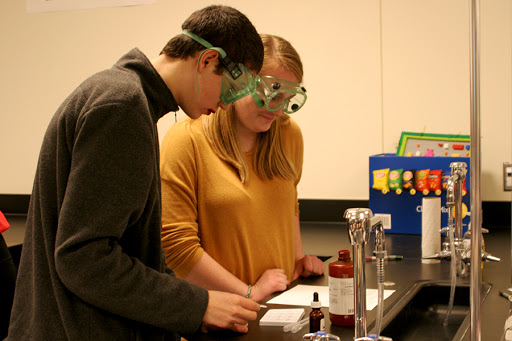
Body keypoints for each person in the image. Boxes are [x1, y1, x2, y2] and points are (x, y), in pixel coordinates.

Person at [7, 5, 265, 340]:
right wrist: (196, 305)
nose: (228, 104)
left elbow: (126, 251)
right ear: (208, 60)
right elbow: (83, 258)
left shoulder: (122, 96)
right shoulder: (122, 106)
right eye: (234, 87)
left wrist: (193, 310)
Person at [160, 34, 324, 304]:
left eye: (287, 99)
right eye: (271, 94)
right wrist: (248, 293)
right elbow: (176, 248)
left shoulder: (287, 134)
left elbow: (290, 204)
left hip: (280, 305)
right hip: (220, 314)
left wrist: (297, 260)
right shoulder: (184, 142)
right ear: (240, 82)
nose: (278, 110)